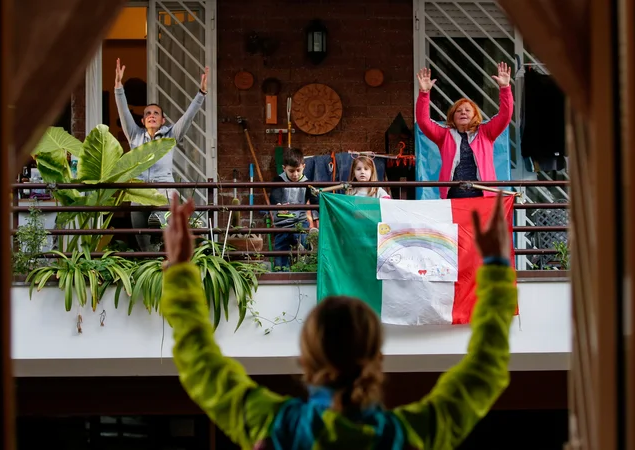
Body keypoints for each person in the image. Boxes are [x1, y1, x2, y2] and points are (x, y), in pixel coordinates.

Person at [160, 192, 517, 449]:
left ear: (305, 359)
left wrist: (178, 270)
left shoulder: (279, 428)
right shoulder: (408, 436)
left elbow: (198, 360)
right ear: (377, 358)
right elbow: (485, 368)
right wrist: (498, 271)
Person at [114, 58, 209, 251]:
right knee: (144, 246)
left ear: (163, 120)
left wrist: (201, 93)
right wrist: (118, 88)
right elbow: (124, 112)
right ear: (142, 121)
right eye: (148, 113)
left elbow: (188, 117)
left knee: (164, 241)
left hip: (163, 195)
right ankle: (150, 274)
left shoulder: (170, 135)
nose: (151, 115)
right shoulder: (135, 136)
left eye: (156, 113)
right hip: (139, 196)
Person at [416, 62, 514, 199]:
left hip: (483, 195)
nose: (463, 113)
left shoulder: (486, 132)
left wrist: (505, 88)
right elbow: (423, 121)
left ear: (475, 115)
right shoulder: (444, 135)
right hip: (453, 195)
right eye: (458, 111)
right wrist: (424, 93)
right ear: (452, 116)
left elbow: (505, 115)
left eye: (468, 110)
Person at [269, 148, 319, 270]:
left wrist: (324, 209)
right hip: (282, 224)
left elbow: (315, 201)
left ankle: (307, 254)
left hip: (299, 222)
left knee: (304, 241)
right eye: (291, 171)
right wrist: (278, 205)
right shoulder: (278, 180)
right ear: (284, 168)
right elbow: (275, 195)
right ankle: (280, 270)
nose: (295, 174)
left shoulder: (308, 183)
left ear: (304, 167)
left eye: (298, 170)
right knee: (281, 249)